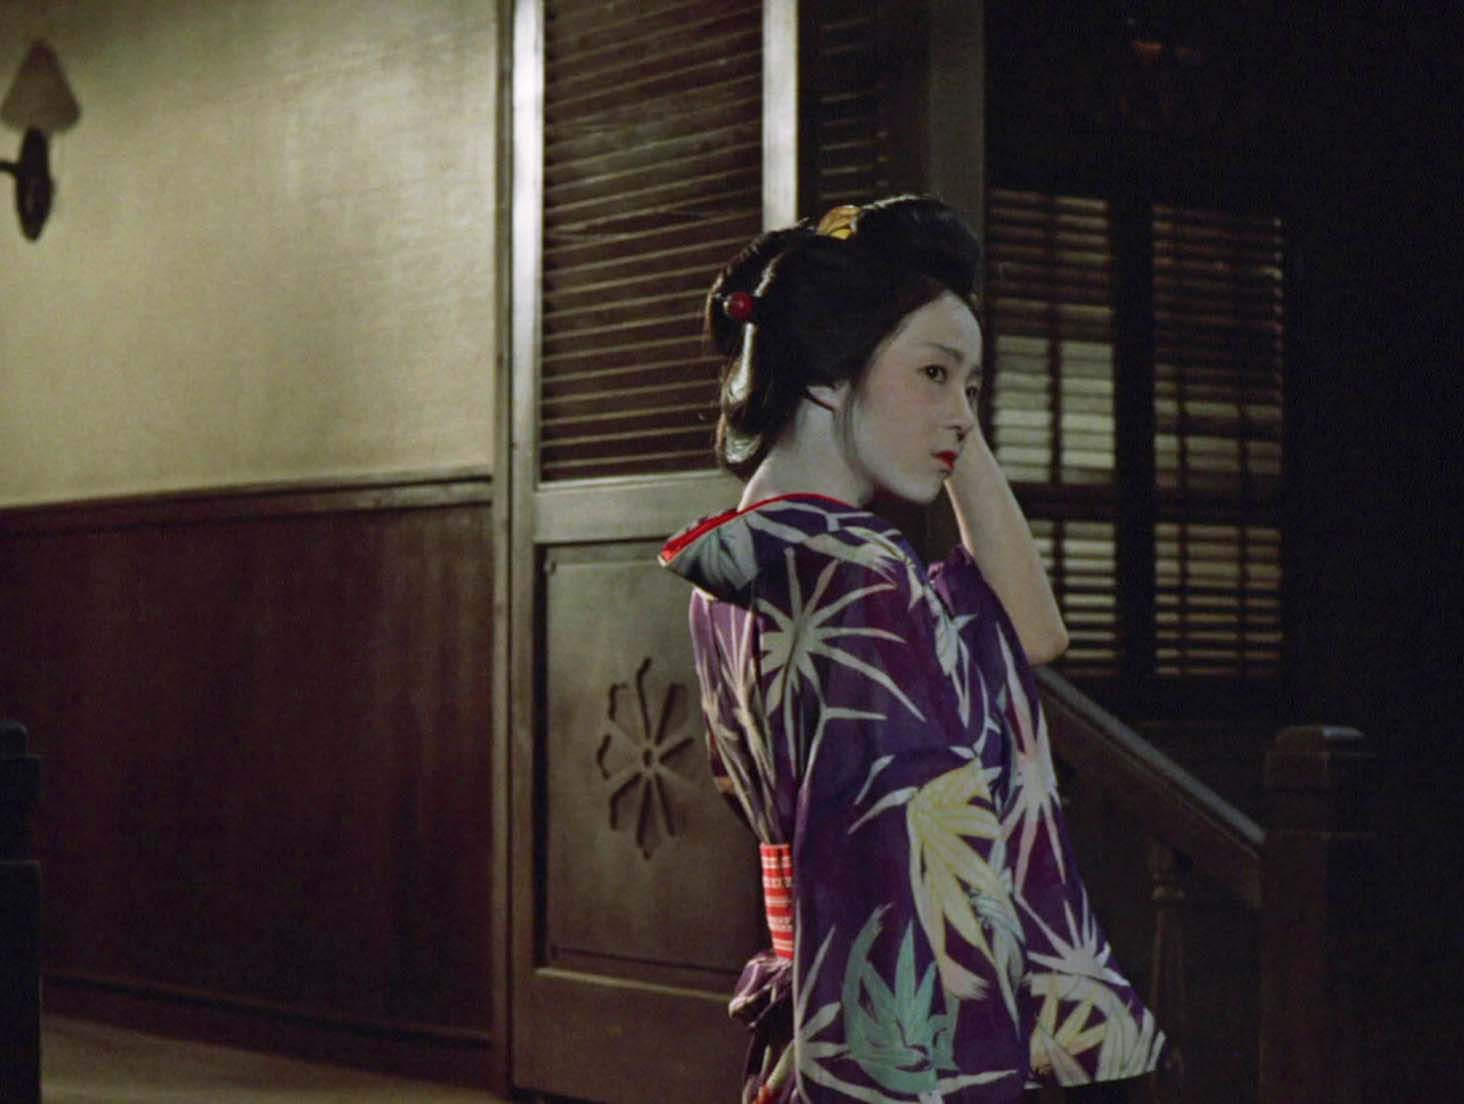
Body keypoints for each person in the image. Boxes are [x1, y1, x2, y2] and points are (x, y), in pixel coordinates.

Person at [658, 196, 1163, 1103]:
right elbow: (899, 859)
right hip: (908, 1019)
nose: (962, 414)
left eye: (972, 388)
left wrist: (944, 415)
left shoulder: (744, 560)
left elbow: (1032, 632)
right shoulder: (860, 573)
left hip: (815, 1000)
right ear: (826, 373)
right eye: (933, 374)